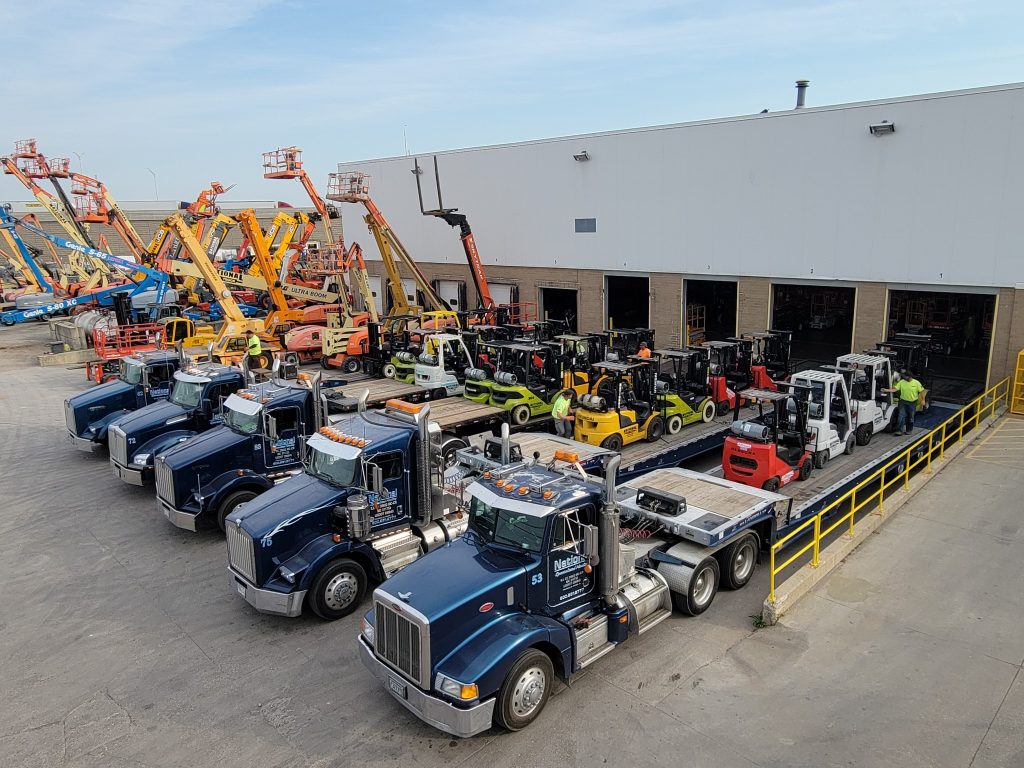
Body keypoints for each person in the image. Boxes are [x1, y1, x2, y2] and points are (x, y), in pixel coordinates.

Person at [886, 370, 923, 435]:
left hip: (912, 403)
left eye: (905, 377)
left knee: (910, 417)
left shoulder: (916, 383)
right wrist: (886, 390)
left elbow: (922, 391)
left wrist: (923, 400)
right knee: (901, 416)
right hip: (903, 402)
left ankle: (909, 430)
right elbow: (895, 389)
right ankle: (899, 431)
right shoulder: (902, 382)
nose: (904, 378)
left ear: (909, 377)